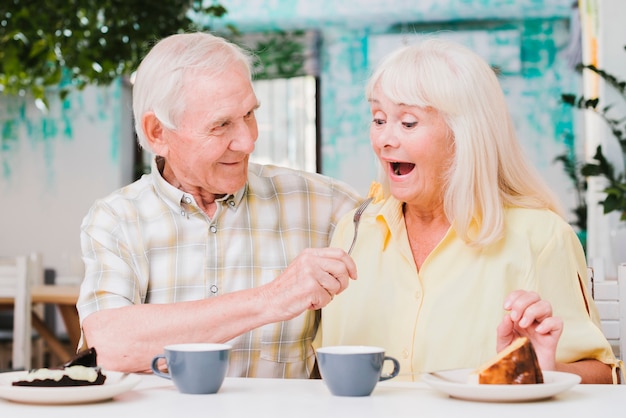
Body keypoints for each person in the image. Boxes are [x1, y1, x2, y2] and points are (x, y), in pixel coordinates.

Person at [318, 38, 621, 384]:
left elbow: (605, 377)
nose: (384, 139)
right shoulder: (354, 232)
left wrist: (544, 370)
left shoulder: (542, 237)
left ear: (465, 135)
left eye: (408, 123)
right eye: (379, 119)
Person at [76, 32, 362, 377]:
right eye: (221, 124)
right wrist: (273, 298)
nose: (247, 140)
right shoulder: (117, 219)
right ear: (157, 133)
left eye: (249, 114)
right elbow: (110, 346)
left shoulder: (327, 205)